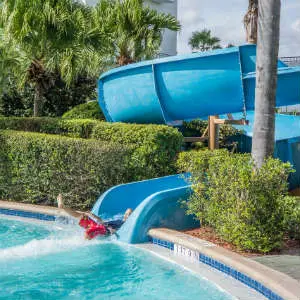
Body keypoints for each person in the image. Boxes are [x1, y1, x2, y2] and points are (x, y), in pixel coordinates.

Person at [57, 194, 132, 240]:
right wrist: (93, 215)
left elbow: (119, 231)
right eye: (126, 213)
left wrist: (113, 230)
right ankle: (63, 207)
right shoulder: (118, 220)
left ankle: (82, 244)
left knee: (89, 231)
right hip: (101, 225)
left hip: (104, 230)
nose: (126, 215)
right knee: (82, 216)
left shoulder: (124, 224)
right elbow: (102, 221)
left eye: (129, 214)